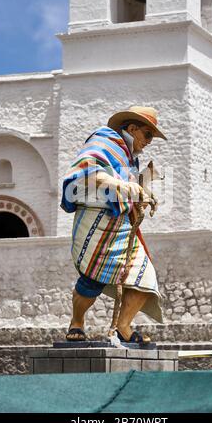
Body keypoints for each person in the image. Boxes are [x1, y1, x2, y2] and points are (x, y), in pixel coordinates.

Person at [61, 106, 167, 344]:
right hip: (96, 222)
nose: (149, 141)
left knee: (145, 278)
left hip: (121, 224)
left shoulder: (130, 158)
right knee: (92, 278)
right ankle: (77, 322)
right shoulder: (104, 141)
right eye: (148, 135)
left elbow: (128, 189)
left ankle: (123, 326)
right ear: (132, 129)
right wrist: (124, 187)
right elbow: (86, 173)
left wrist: (143, 195)